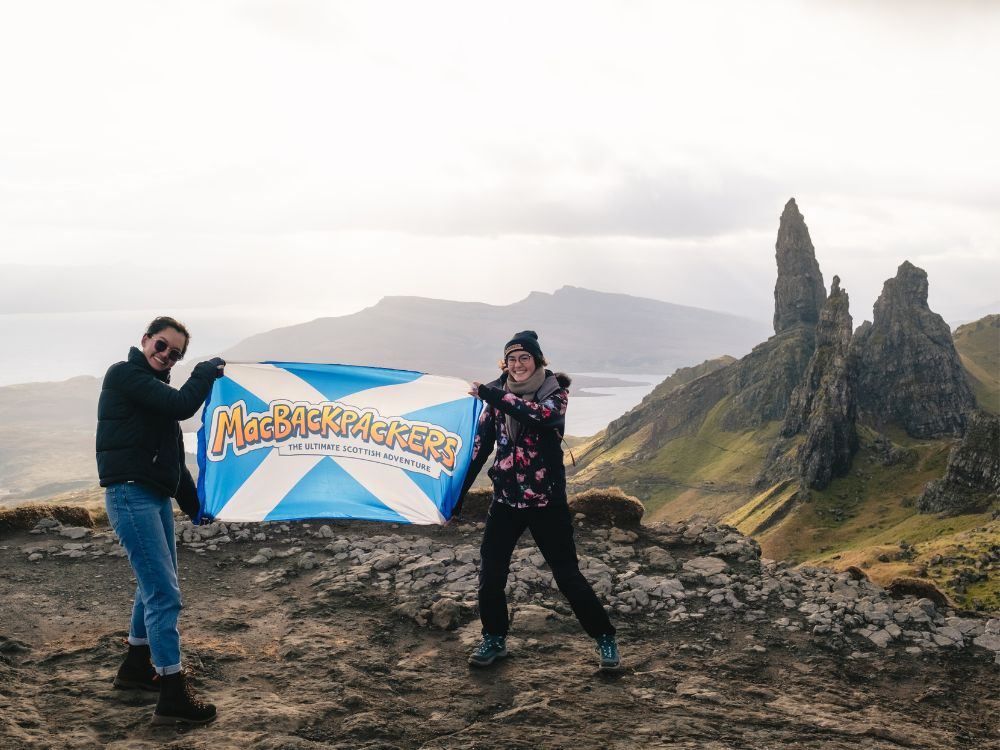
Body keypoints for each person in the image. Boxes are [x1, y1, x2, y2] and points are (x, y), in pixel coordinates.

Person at [456, 330, 620, 670]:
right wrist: (456, 499)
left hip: (546, 503)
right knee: (491, 573)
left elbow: (539, 416)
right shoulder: (497, 397)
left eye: (524, 358)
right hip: (505, 502)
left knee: (567, 575)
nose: (517, 365)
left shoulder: (555, 394)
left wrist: (489, 393)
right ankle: (494, 638)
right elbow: (479, 450)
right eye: (511, 359)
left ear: (537, 361)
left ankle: (605, 638)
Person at [96, 316, 225, 725]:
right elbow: (183, 406)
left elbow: (173, 461)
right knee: (164, 595)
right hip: (130, 494)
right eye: (162, 345)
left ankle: (135, 668)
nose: (166, 354)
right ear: (146, 340)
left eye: (175, 353)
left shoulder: (156, 390)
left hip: (152, 496)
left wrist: (194, 505)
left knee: (151, 586)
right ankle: (172, 694)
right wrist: (205, 371)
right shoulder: (124, 376)